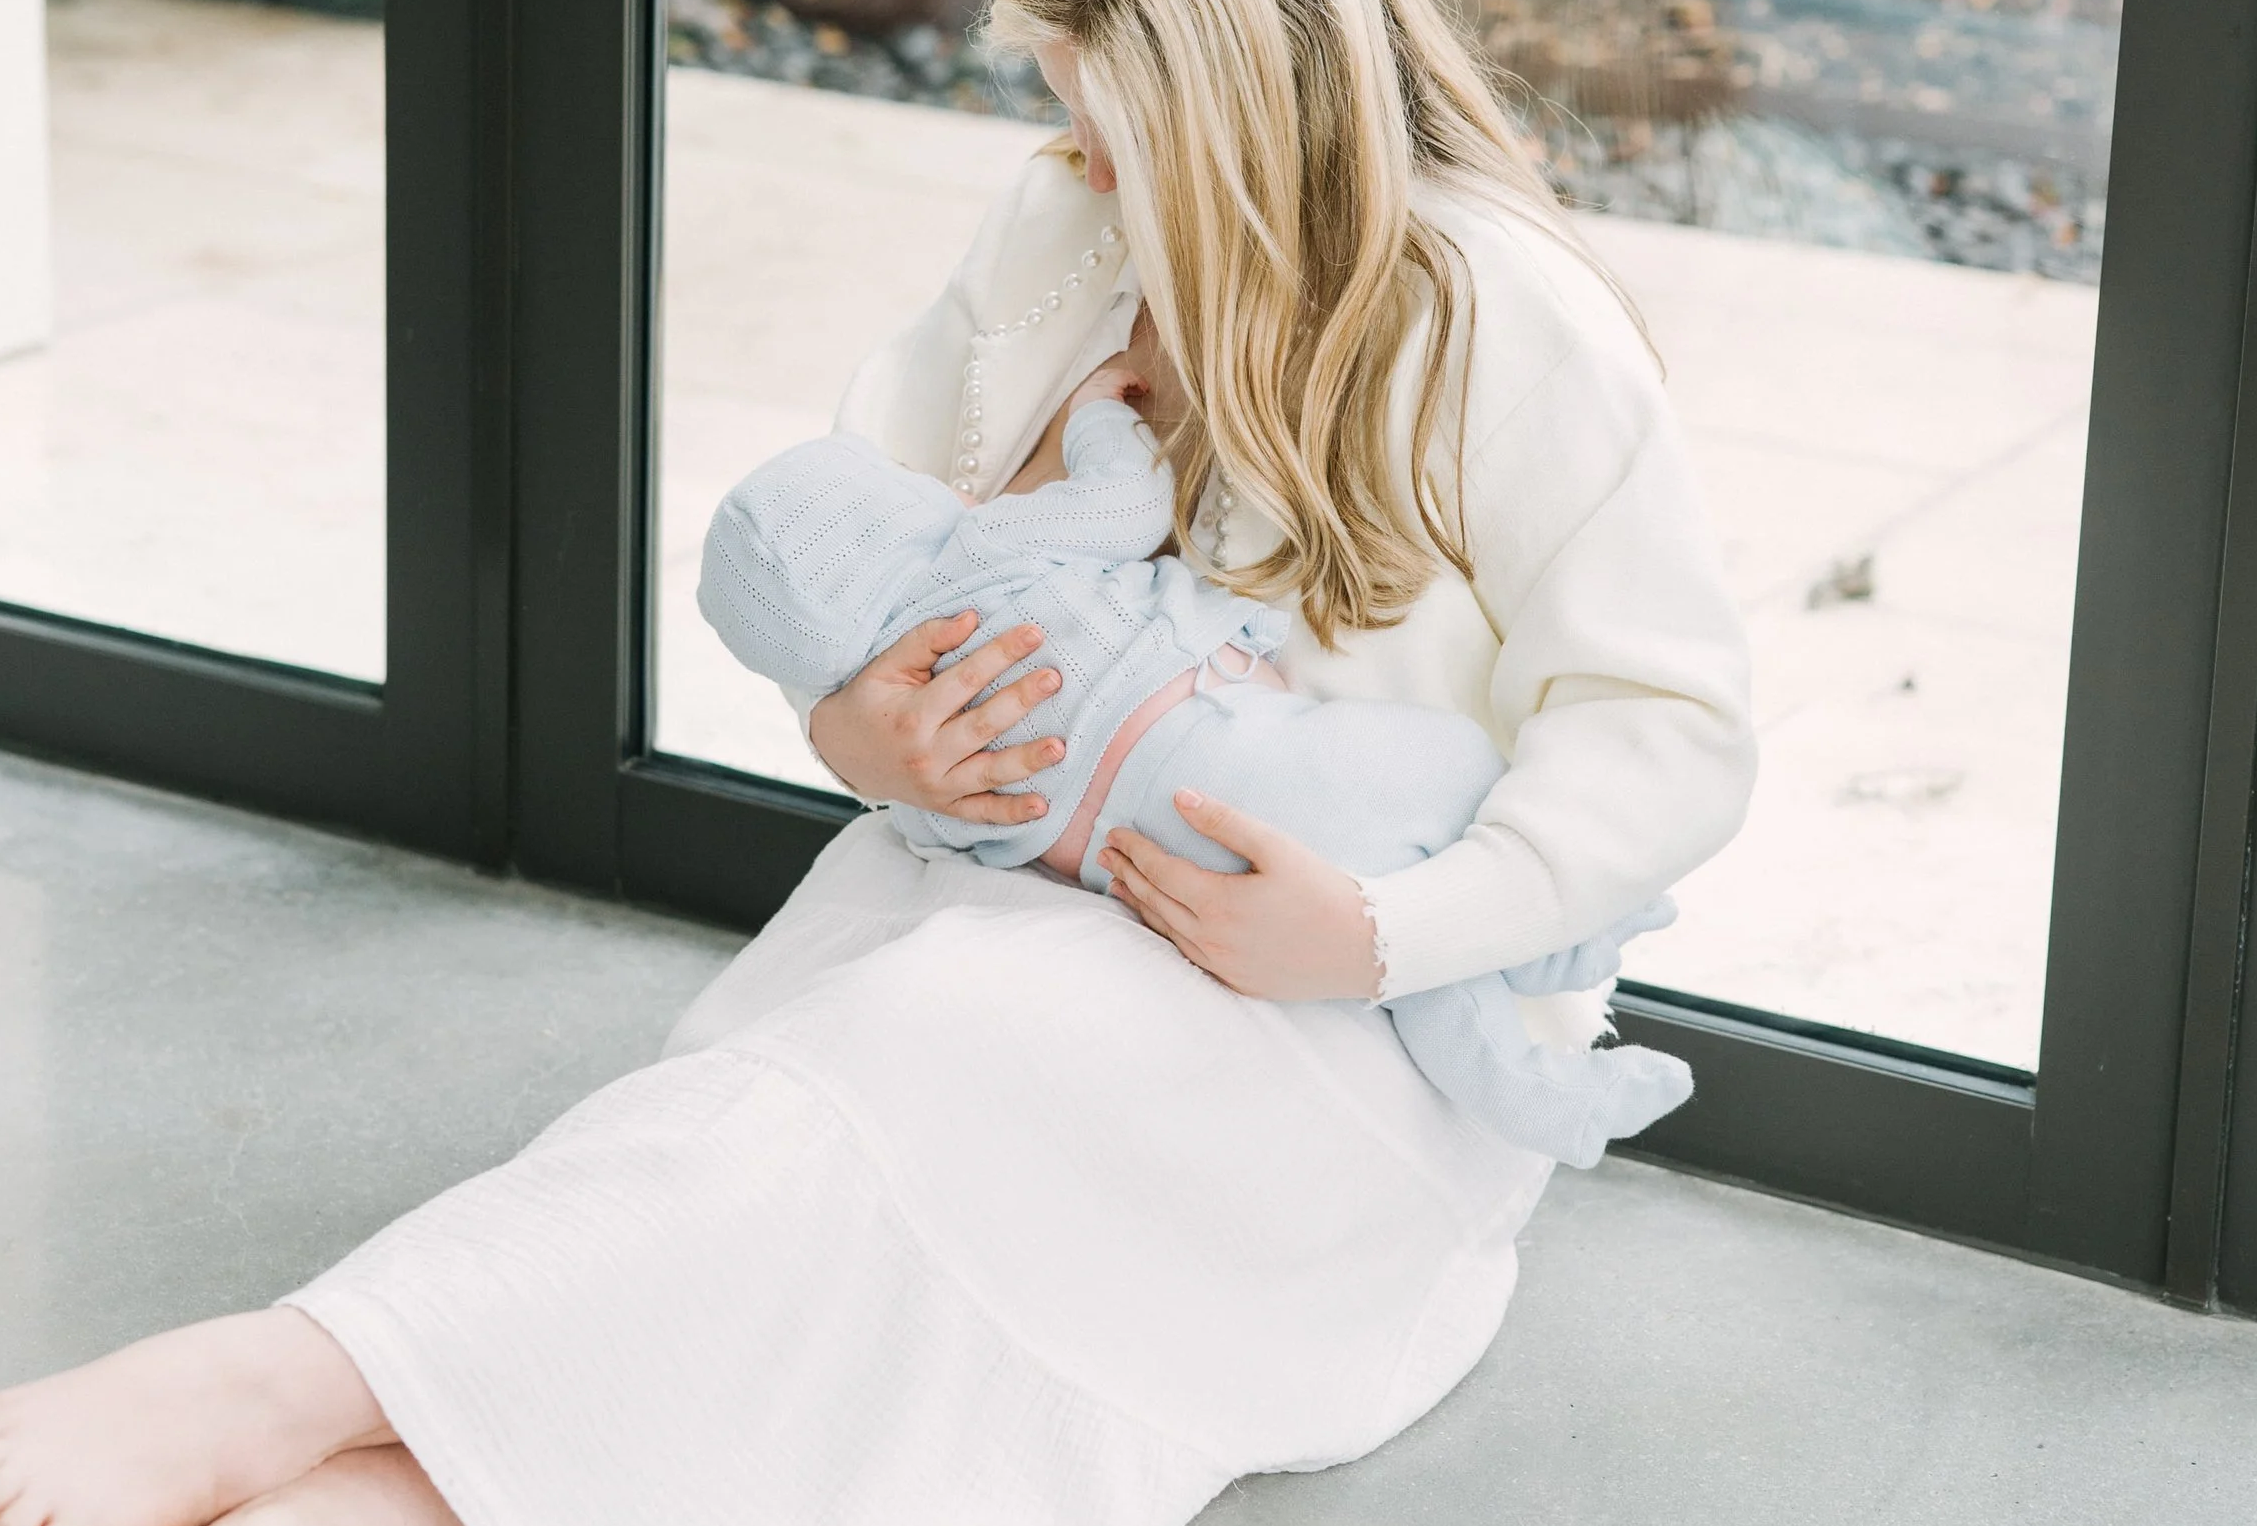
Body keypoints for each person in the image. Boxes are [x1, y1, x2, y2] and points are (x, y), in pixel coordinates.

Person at [0, 0, 1755, 1526]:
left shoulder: (1494, 319)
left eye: (1119, 134)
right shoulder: (1061, 229)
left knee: (881, 1102)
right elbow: (853, 545)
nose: (1079, 167)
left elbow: (1671, 735)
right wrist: (855, 734)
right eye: (1062, 114)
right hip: (1025, 881)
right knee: (784, 1186)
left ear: (1247, 129)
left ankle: (281, 1375)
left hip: (1369, 1031)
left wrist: (1371, 930)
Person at [696, 353, 1689, 1162]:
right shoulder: (979, 554)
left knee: (1419, 971)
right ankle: (1561, 933)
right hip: (1249, 762)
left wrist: (843, 729)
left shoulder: (917, 756)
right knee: (1448, 774)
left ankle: (1526, 1090)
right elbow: (1126, 511)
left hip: (1161, 873)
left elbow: (946, 828)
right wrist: (1097, 420)